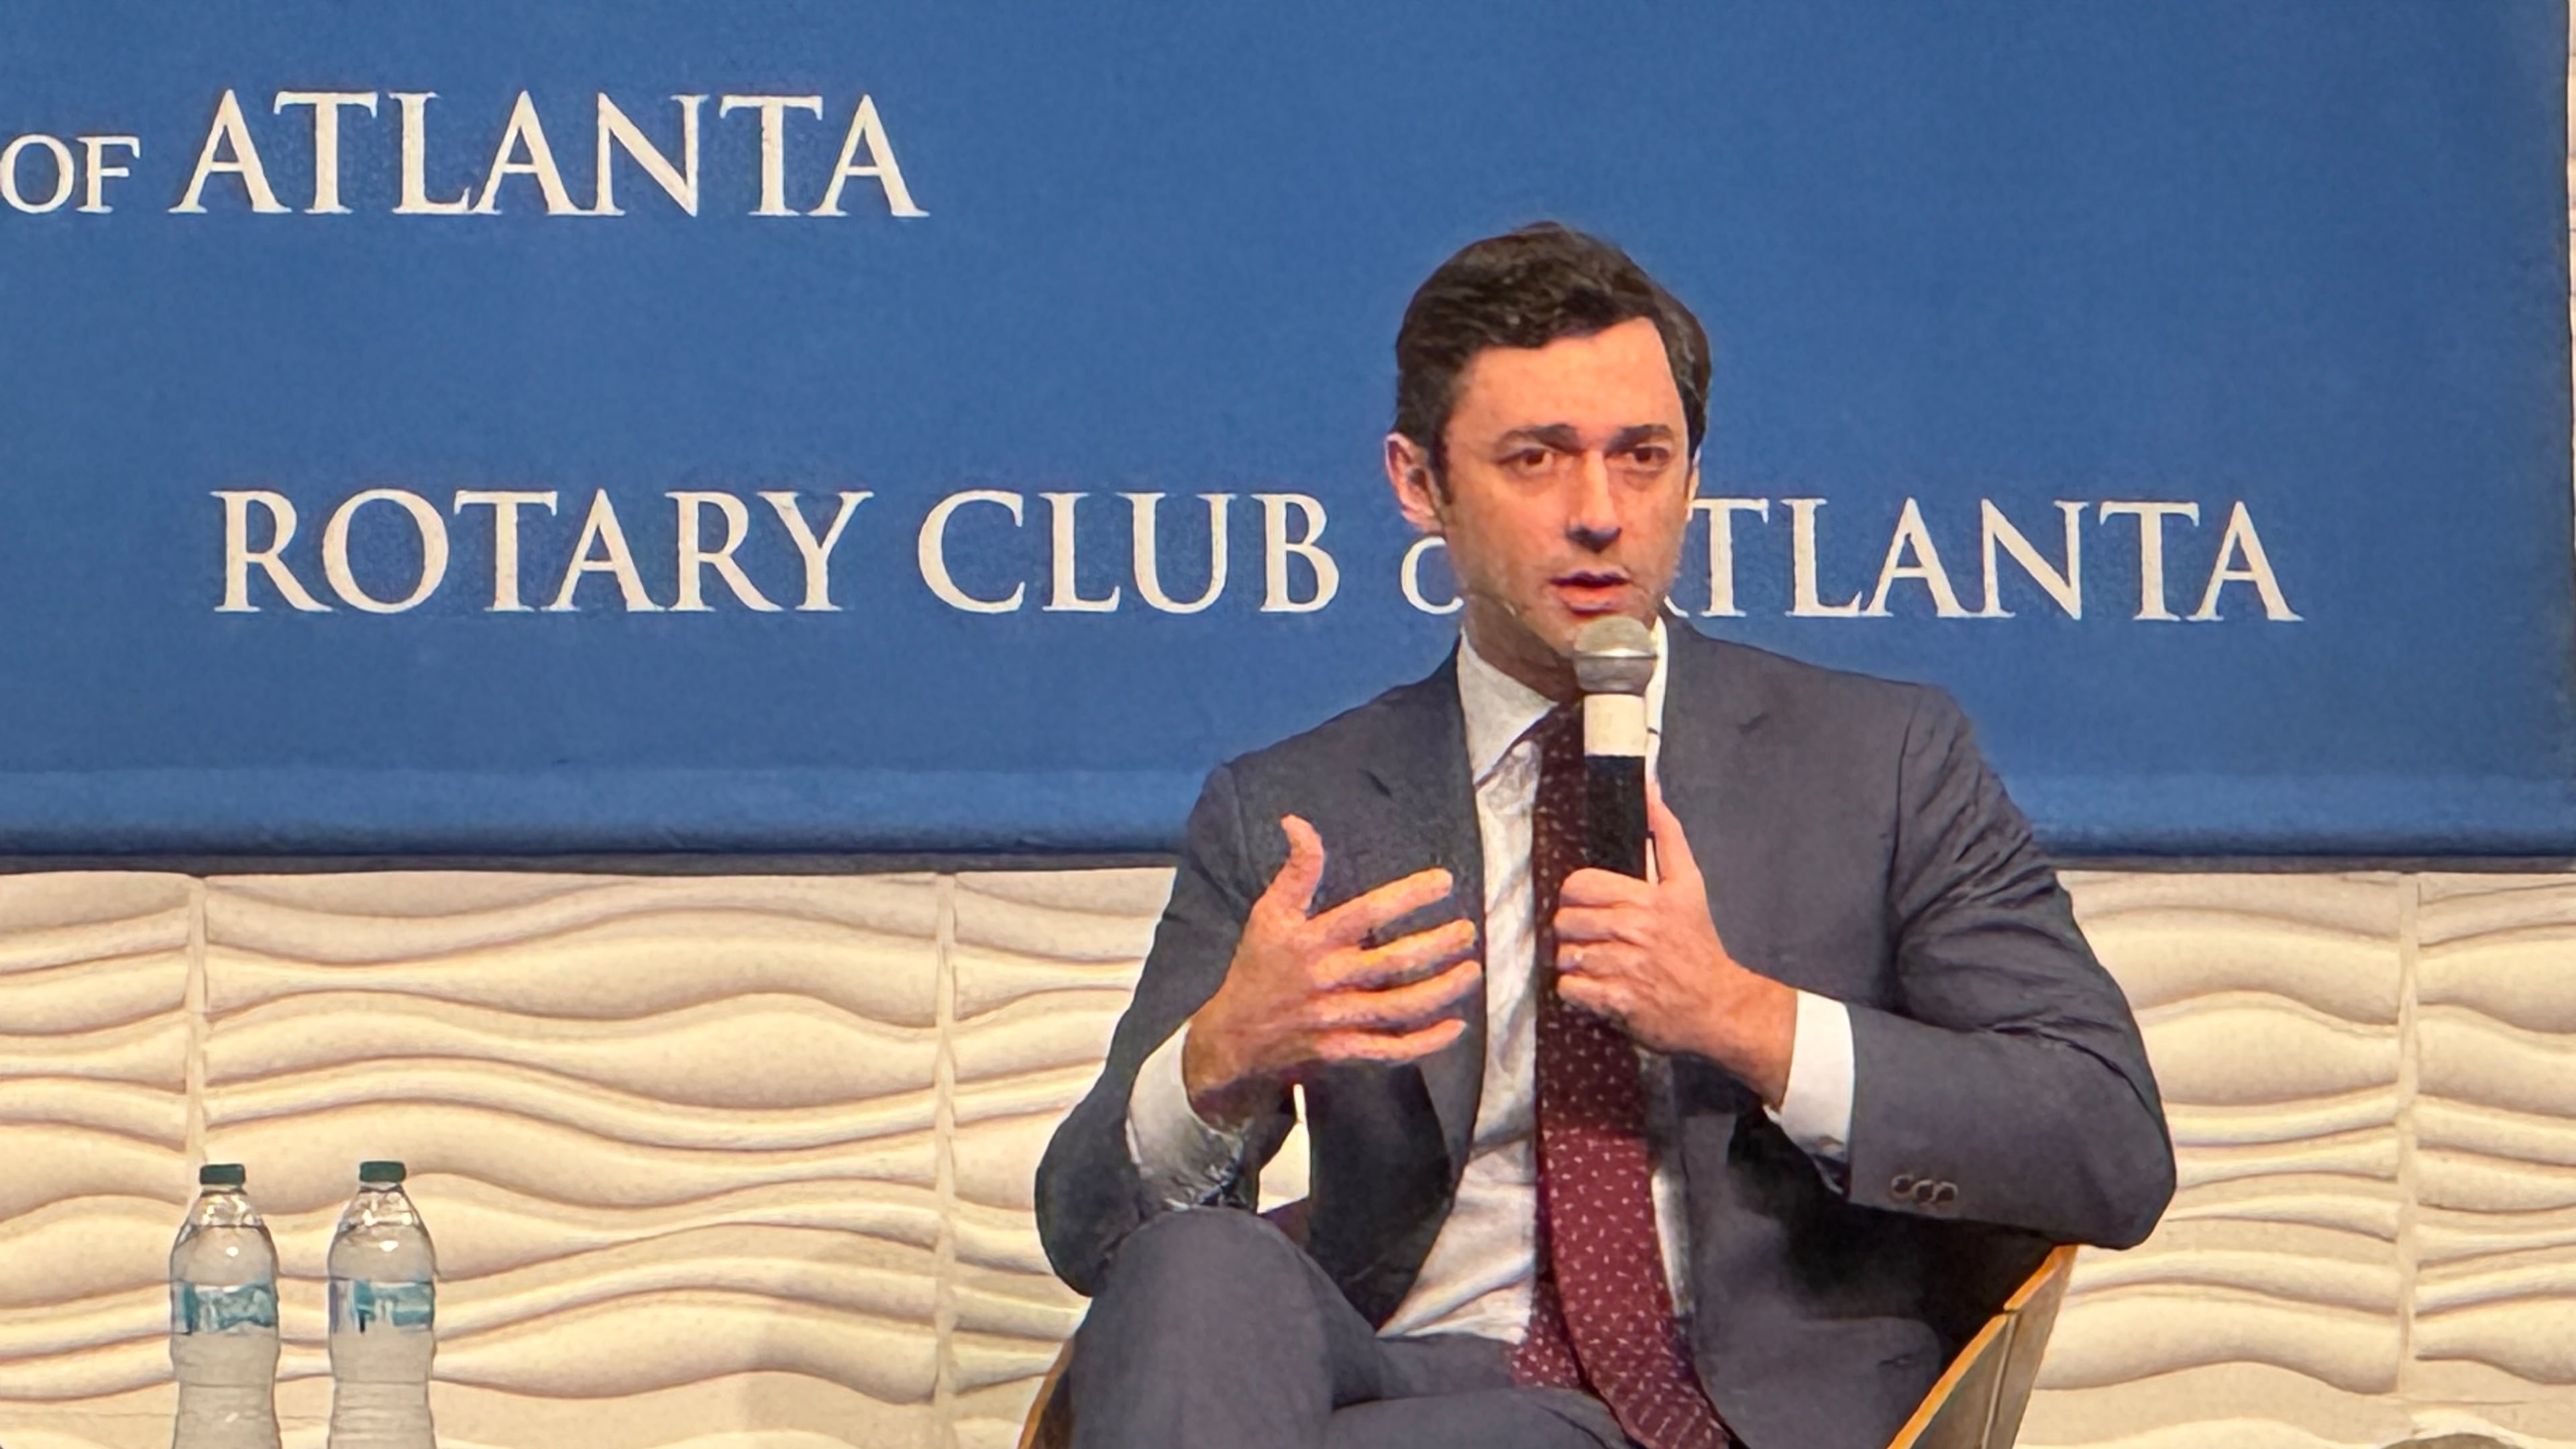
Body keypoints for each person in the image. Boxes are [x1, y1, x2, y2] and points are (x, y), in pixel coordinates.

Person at [1034, 222, 2174, 1449]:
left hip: (1746, 1406)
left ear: (1692, 476)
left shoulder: (1883, 761)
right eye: (1535, 460)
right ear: (1420, 485)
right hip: (1417, 1376)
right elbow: (1090, 1235)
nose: (1599, 515)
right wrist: (1218, 1063)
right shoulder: (1296, 809)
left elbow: (2108, 1144)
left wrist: (1745, 1018)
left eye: (1643, 458)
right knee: (1197, 1266)